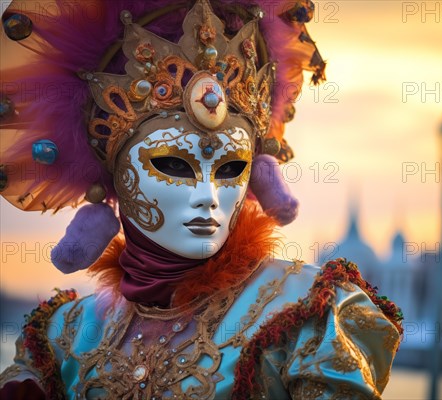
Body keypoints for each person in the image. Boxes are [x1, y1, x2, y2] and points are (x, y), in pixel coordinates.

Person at [0, 0, 403, 398]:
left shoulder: (307, 316)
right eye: (173, 165)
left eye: (230, 168)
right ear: (116, 178)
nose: (208, 197)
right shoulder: (63, 338)